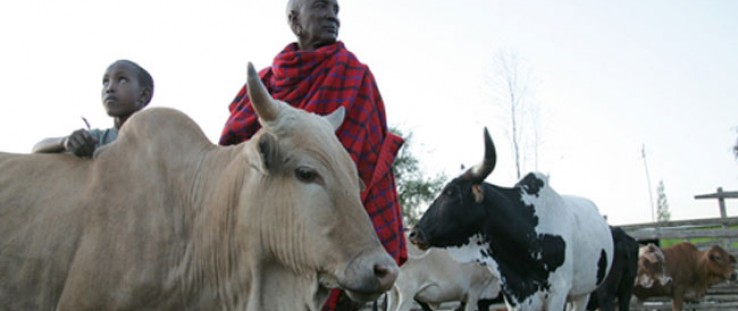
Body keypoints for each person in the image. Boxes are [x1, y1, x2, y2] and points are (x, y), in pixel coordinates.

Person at [219, 0, 406, 309]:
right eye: (321, 7)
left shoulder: (354, 75)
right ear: (295, 21)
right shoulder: (264, 82)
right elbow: (232, 156)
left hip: (342, 228)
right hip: (267, 230)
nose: (332, 15)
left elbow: (361, 163)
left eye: (336, 9)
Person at [32, 60, 154, 157]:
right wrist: (65, 142)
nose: (109, 88)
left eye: (122, 80)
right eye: (105, 82)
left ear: (143, 95)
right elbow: (37, 148)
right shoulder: (97, 140)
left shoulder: (156, 140)